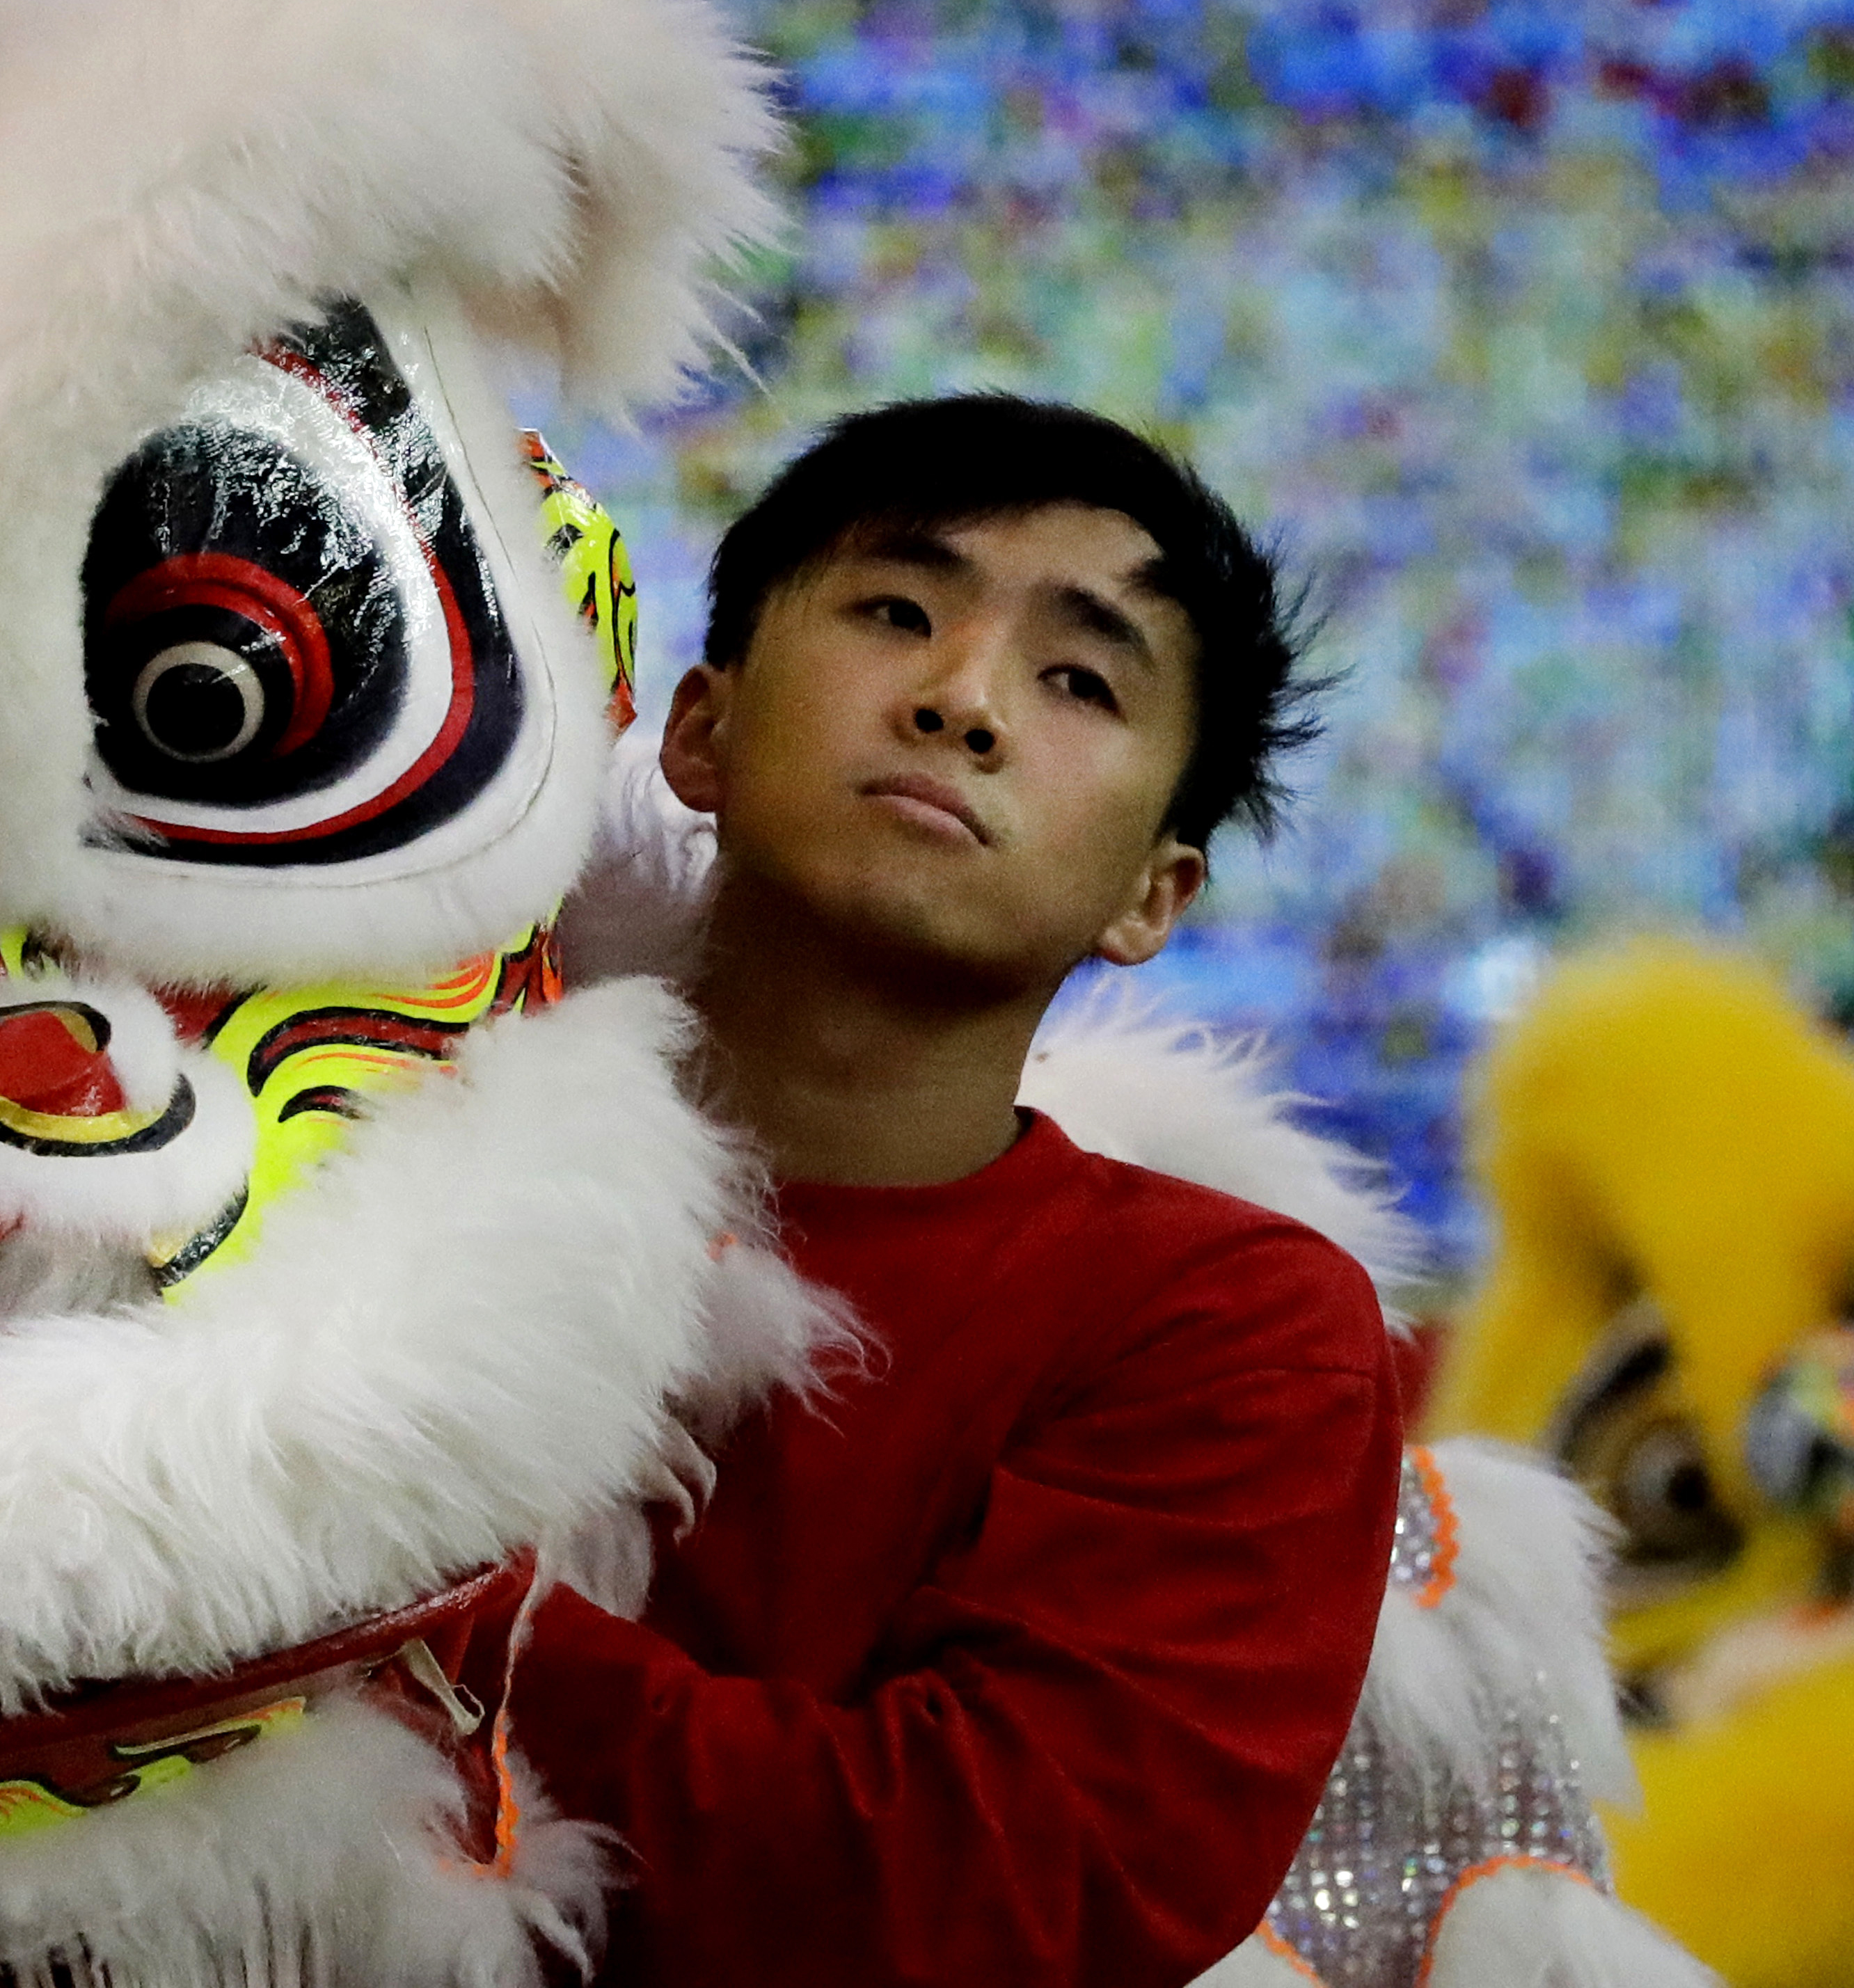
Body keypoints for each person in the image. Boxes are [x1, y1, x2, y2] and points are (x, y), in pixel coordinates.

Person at [514, 394, 1400, 1987]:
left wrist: (354, 1594)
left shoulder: (1234, 1327)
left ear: (1154, 892)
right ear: (702, 732)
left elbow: (968, 1897)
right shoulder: (366, 1092)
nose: (964, 699)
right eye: (897, 611)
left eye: (1080, 679)